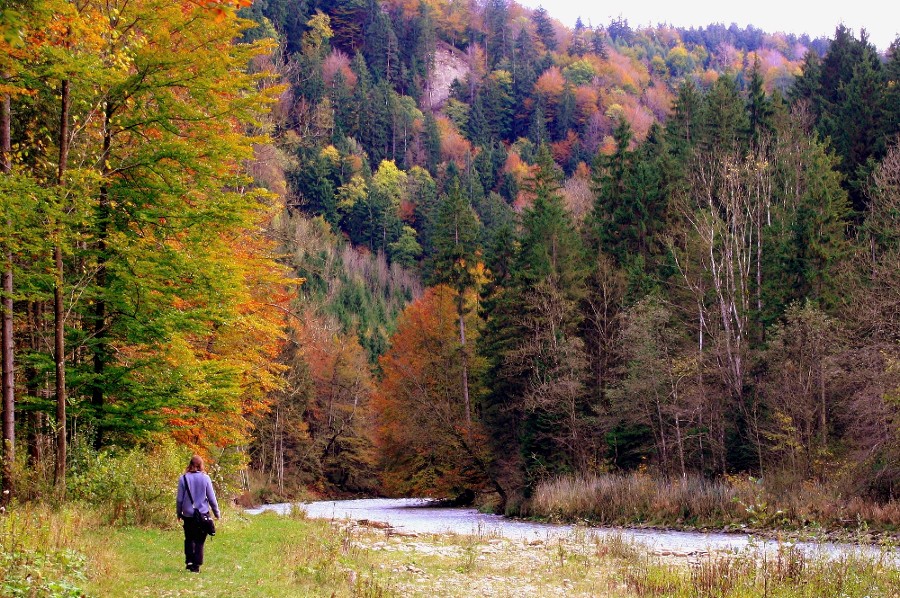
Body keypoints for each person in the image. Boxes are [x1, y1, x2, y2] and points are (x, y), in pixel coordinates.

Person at [176, 454, 220, 573]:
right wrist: (217, 513)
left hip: (188, 515)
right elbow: (212, 498)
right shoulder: (205, 478)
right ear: (201, 465)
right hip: (202, 515)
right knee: (200, 540)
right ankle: (196, 565)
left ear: (190, 464)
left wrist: (178, 513)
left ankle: (189, 561)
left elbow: (179, 499)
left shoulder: (183, 478)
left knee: (189, 538)